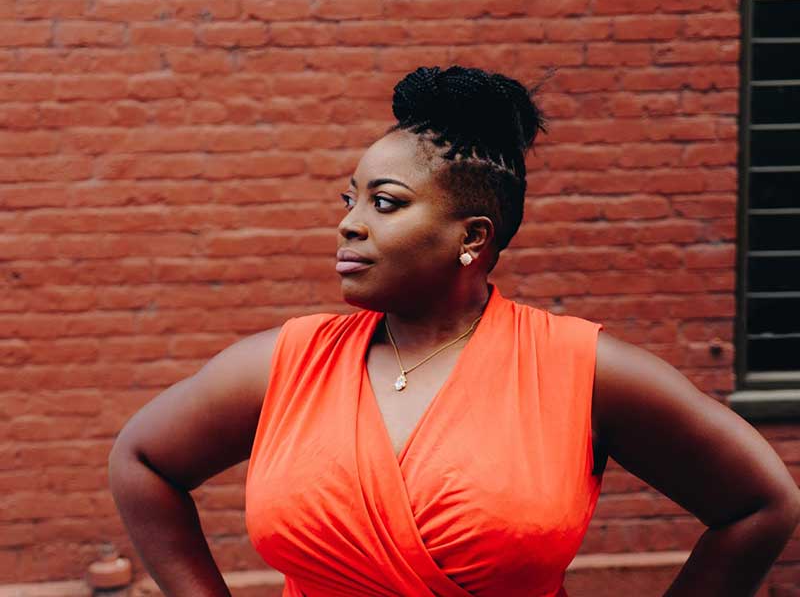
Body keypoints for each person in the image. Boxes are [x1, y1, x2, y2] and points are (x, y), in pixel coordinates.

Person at [108, 65, 800, 597]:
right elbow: (142, 460)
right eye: (350, 199)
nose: (350, 222)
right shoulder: (284, 364)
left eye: (385, 203)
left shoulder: (581, 371)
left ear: (472, 237)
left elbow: (760, 504)